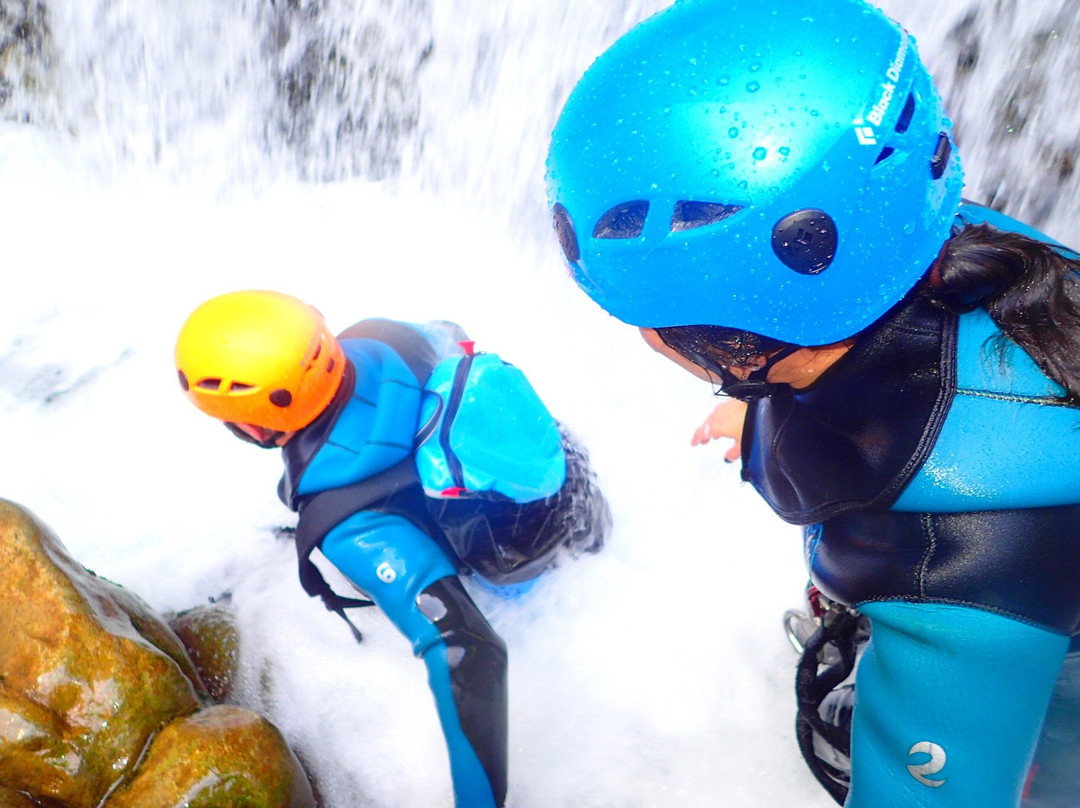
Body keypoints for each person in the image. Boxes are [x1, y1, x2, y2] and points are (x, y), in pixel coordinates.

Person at [545, 0, 1080, 806]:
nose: (647, 343)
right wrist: (758, 399)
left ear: (737, 343)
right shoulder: (945, 240)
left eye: (661, 330)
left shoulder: (954, 564)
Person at [173, 290, 609, 808]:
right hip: (575, 493)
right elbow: (450, 335)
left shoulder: (347, 523)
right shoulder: (382, 333)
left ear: (250, 424)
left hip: (536, 585)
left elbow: (469, 651)